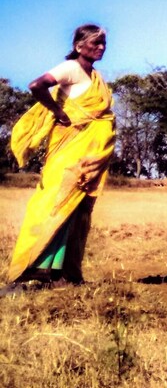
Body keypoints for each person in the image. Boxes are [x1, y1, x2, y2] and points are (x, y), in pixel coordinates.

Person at [6, 24, 116, 288]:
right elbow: (37, 85)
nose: (101, 48)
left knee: (75, 209)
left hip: (87, 156)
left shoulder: (95, 76)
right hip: (67, 151)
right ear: (79, 46)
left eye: (103, 43)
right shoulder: (70, 69)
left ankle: (60, 274)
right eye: (95, 43)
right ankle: (32, 272)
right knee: (53, 204)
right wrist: (57, 111)